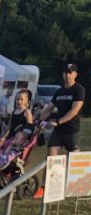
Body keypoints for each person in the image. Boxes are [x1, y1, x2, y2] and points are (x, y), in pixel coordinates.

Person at [33, 63, 85, 198]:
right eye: (65, 72)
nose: (67, 75)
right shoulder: (59, 92)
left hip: (72, 131)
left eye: (70, 72)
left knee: (75, 160)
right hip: (58, 131)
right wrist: (38, 121)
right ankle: (46, 187)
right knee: (51, 158)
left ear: (75, 74)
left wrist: (58, 121)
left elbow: (74, 111)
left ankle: (78, 187)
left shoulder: (79, 90)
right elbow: (48, 108)